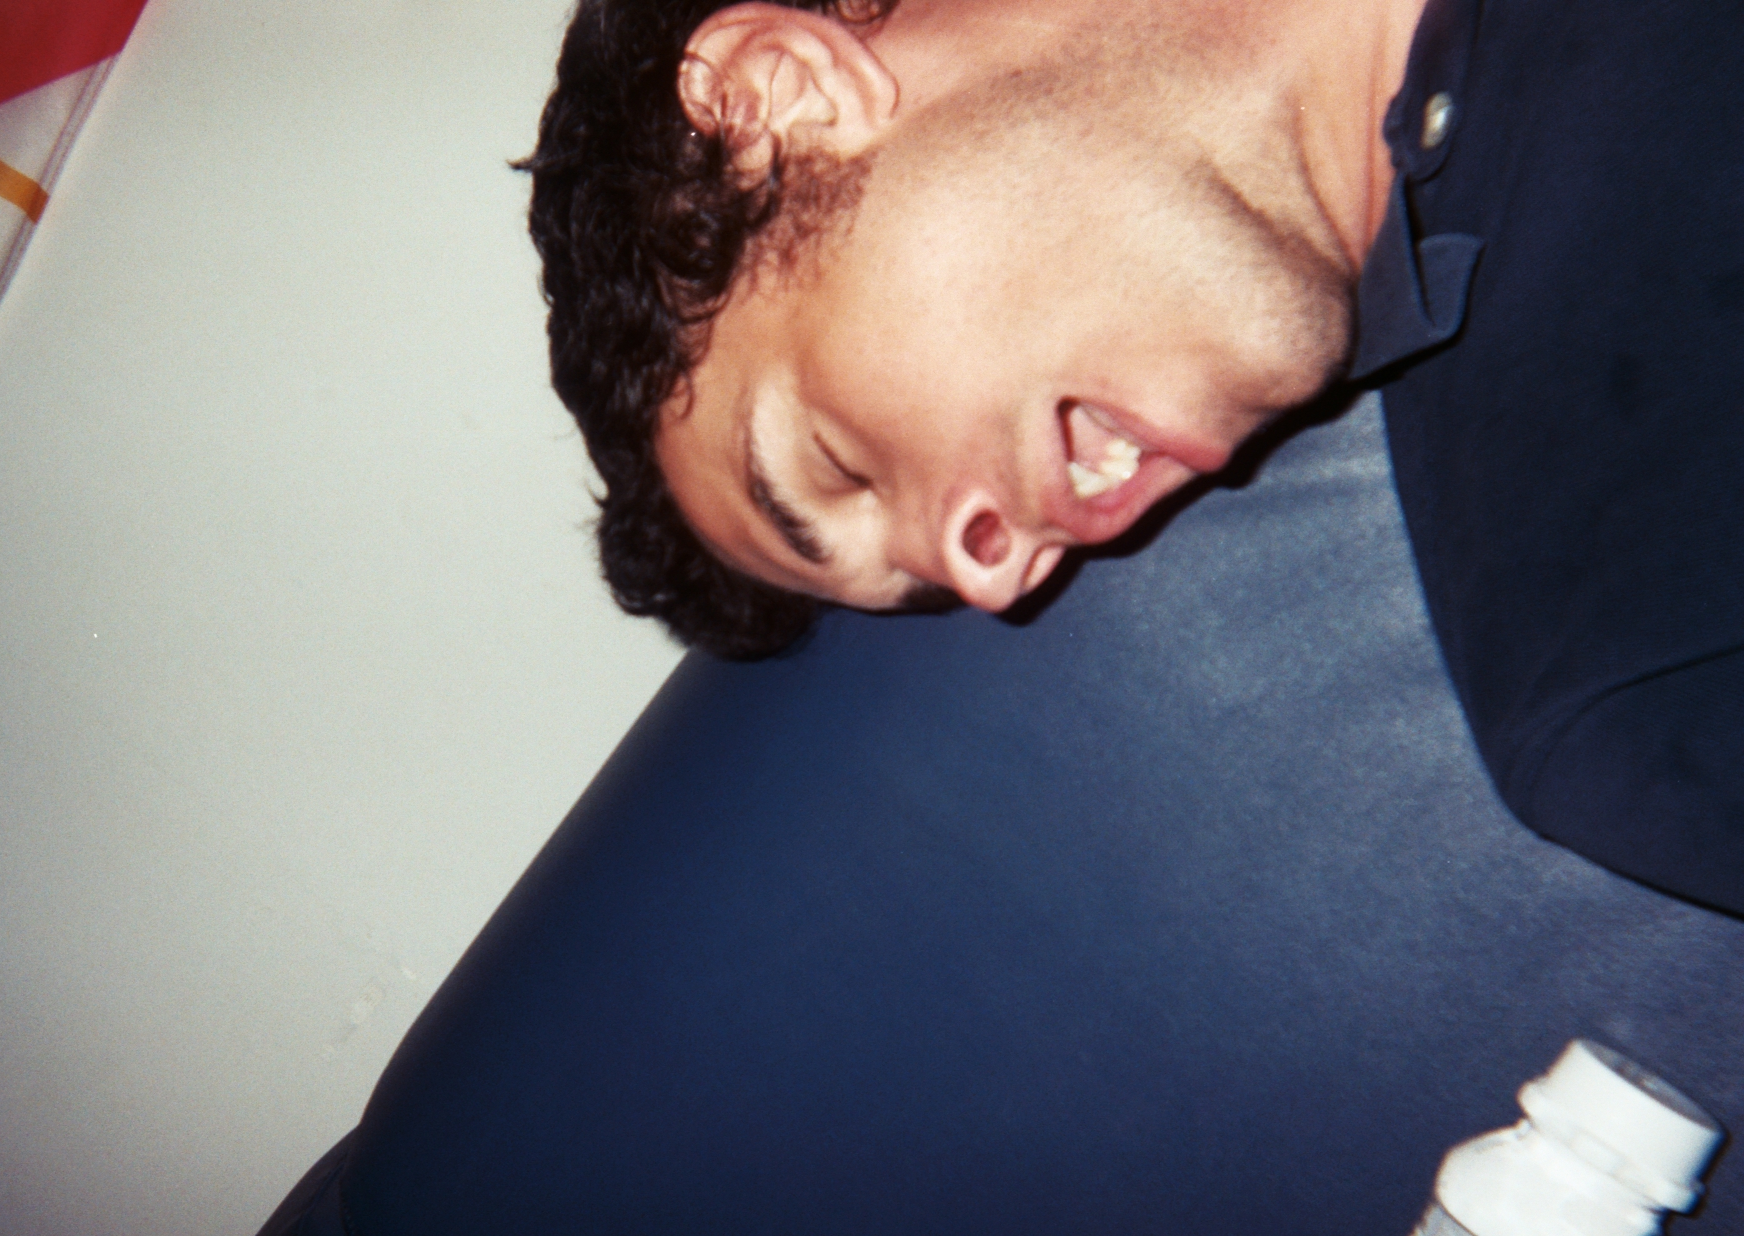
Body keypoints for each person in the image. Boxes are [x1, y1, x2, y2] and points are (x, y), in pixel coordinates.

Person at [521, 0, 1744, 914]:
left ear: (779, 91)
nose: (999, 577)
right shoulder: (1632, 660)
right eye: (926, 583)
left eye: (838, 464)